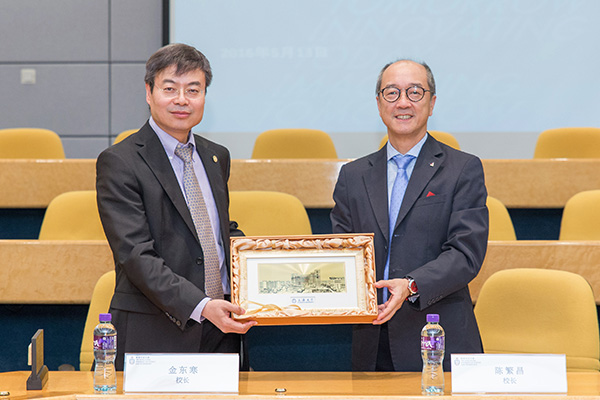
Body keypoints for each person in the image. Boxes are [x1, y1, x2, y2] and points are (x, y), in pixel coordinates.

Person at [96, 43, 256, 371]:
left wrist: (263, 262)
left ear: (205, 96)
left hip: (222, 330)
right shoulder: (120, 162)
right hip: (156, 330)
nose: (182, 100)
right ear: (149, 92)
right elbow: (135, 255)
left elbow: (216, 230)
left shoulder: (216, 156)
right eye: (170, 88)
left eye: (193, 90)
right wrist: (201, 305)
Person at [330, 59, 488, 372]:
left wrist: (411, 285)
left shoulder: (463, 169)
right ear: (379, 104)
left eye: (415, 92)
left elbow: (466, 253)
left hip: (438, 336)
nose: (403, 102)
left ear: (432, 103)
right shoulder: (353, 175)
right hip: (372, 340)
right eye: (392, 93)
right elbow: (341, 251)